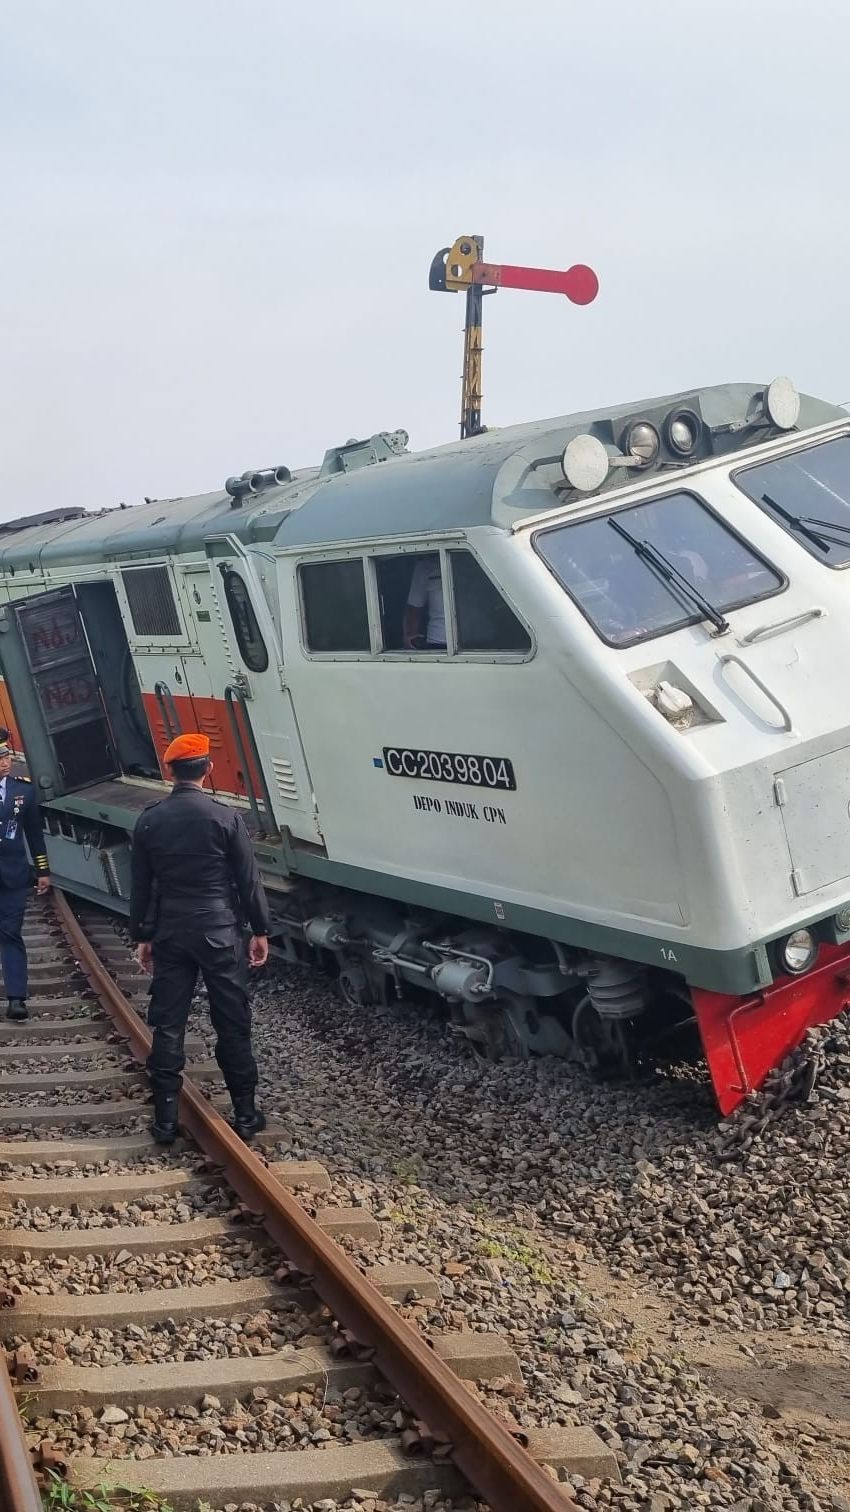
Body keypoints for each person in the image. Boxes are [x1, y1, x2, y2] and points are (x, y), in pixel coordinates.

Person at [129, 732, 270, 1144]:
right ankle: (245, 1114)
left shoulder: (150, 819)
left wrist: (143, 935)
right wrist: (260, 930)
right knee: (232, 1022)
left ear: (169, 771)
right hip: (220, 931)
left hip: (172, 932)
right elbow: (249, 882)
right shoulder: (226, 818)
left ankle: (165, 1122)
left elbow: (141, 887)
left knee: (168, 1024)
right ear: (208, 770)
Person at [0, 741, 51, 1021]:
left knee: (10, 934)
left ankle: (16, 998)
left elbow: (34, 834)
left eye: (6, 756)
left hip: (13, 876)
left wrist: (43, 870)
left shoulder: (24, 790)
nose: (4, 762)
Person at [403, 554, 446, 650]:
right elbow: (413, 610)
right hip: (438, 643)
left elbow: (413, 610)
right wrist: (412, 641)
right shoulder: (425, 567)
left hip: (477, 640)